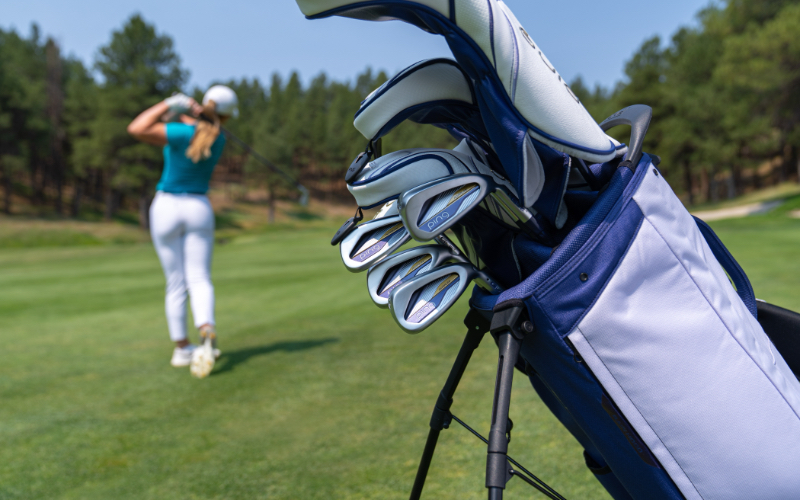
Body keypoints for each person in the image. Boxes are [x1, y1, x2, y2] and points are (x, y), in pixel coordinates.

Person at [127, 85, 239, 378]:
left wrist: (169, 104)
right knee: (199, 278)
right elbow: (201, 124)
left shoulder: (180, 132)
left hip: (166, 207)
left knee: (176, 282)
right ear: (227, 116)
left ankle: (182, 349)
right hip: (198, 208)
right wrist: (191, 112)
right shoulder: (218, 137)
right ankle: (206, 328)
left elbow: (137, 128)